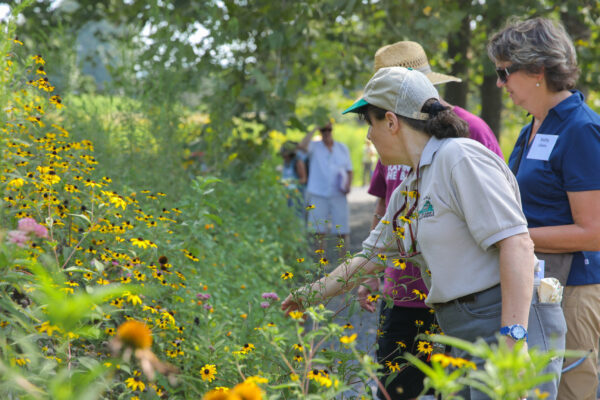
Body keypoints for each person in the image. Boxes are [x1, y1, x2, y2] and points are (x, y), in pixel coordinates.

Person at [282, 66, 565, 399]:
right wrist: (309, 295)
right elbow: (368, 257)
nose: (368, 137)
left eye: (369, 124)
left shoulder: (459, 158)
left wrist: (513, 339)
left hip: (502, 321)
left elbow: (517, 244)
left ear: (391, 121)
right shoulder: (410, 189)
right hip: (458, 328)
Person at [357, 41, 503, 400]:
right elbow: (385, 208)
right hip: (402, 291)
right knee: (393, 389)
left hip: (457, 299)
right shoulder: (391, 139)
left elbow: (503, 226)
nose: (369, 135)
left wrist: (512, 328)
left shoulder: (467, 138)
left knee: (451, 389)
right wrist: (371, 272)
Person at [488, 17, 600, 400]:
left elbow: (595, 232)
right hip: (539, 286)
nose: (500, 83)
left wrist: (510, 240)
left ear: (537, 69)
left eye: (505, 72)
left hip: (575, 292)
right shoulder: (533, 126)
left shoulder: (580, 129)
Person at [298, 122, 353, 254]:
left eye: (328, 129)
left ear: (332, 130)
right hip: (318, 193)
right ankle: (321, 265)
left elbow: (350, 170)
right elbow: (301, 147)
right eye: (323, 130)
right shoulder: (314, 147)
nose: (326, 132)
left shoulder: (342, 148)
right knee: (319, 231)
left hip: (338, 194)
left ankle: (345, 264)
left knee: (342, 231)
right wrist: (314, 128)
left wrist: (348, 185)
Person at [279, 140, 307, 216]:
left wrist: (290, 182)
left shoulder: (298, 162)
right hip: (288, 193)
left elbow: (303, 179)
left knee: (298, 215)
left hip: (297, 194)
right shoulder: (285, 162)